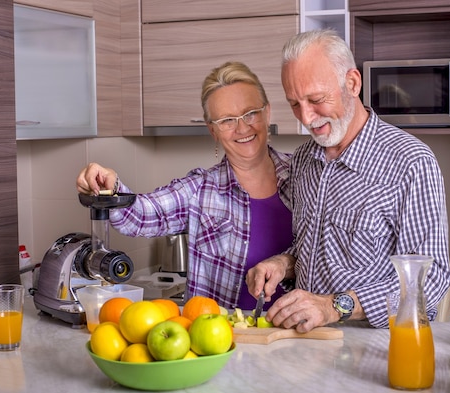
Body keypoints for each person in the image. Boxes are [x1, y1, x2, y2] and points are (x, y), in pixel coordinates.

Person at [246, 29, 450, 332]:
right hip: (306, 346)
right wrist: (284, 264)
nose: (306, 117)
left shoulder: (411, 162)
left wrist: (333, 306)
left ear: (352, 83)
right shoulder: (304, 160)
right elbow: (317, 249)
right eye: (294, 104)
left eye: (316, 99)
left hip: (377, 350)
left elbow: (430, 281)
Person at [76, 61, 292, 310]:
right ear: (213, 130)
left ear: (267, 113)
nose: (242, 128)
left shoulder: (305, 177)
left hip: (296, 339)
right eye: (227, 120)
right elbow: (138, 216)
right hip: (219, 342)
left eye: (250, 113)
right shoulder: (199, 189)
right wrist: (109, 186)